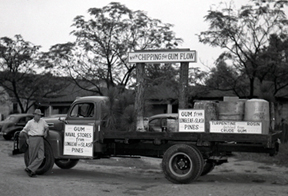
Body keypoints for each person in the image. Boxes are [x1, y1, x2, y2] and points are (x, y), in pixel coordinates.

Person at [21, 109, 49, 177]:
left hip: (41, 139)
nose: (39, 116)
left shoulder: (42, 121)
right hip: (33, 138)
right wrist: (27, 139)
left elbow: (47, 127)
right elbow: (24, 131)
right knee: (32, 156)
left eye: (40, 115)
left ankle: (29, 169)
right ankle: (31, 171)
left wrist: (46, 131)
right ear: (34, 115)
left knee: (41, 156)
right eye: (38, 115)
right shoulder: (30, 122)